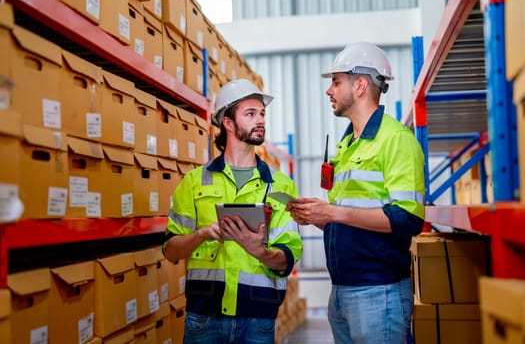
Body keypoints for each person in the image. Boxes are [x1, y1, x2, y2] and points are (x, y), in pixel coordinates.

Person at [287, 42, 425, 344]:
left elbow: (407, 218)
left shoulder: (396, 140)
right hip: (341, 291)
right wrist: (319, 216)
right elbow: (352, 214)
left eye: (336, 82)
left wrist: (334, 213)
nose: (329, 90)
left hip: (379, 292)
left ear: (360, 85)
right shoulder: (347, 145)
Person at [163, 79, 303, 344]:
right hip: (204, 317)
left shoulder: (280, 185)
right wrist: (202, 234)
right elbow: (171, 251)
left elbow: (290, 255)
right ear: (227, 122)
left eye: (262, 113)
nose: (260, 120)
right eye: (250, 114)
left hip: (257, 319)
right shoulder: (195, 182)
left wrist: (260, 251)